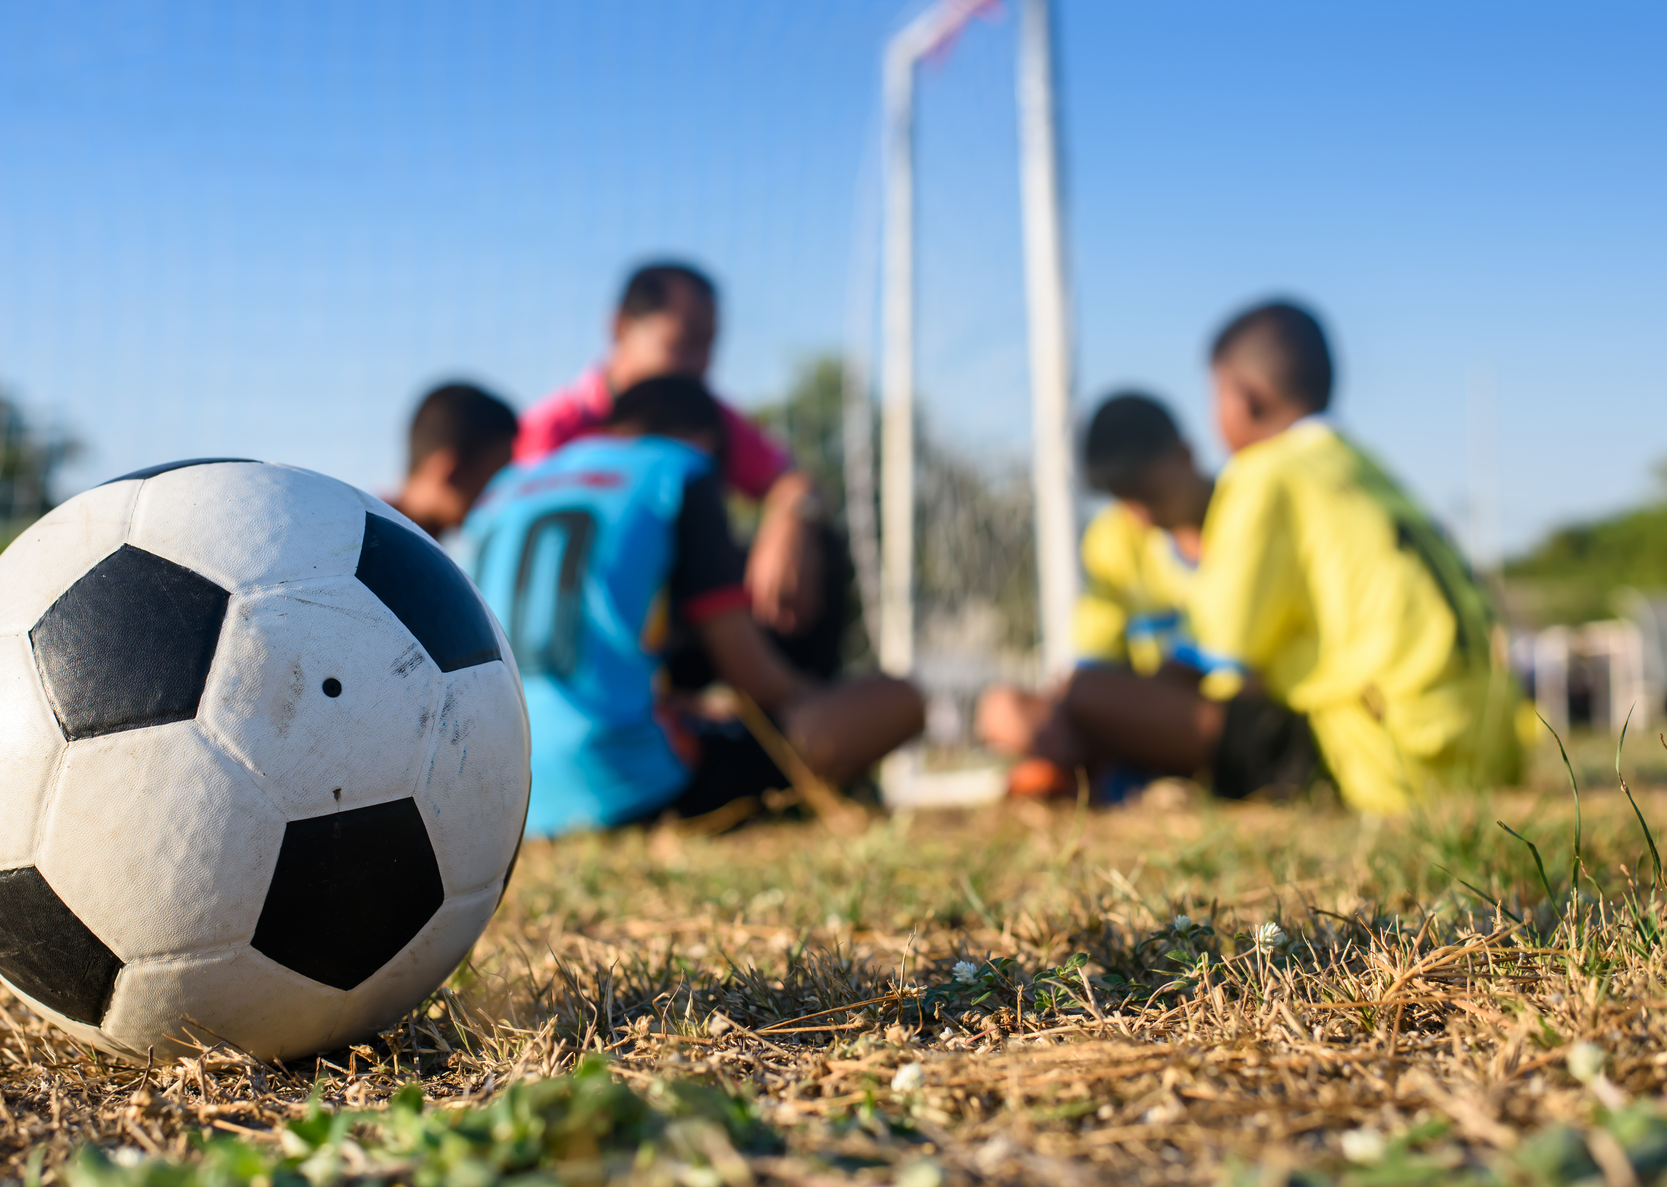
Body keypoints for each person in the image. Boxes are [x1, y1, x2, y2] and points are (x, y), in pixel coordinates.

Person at [998, 300, 1522, 812]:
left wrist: (1089, 713)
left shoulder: (1263, 474)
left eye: (1215, 396)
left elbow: (1217, 657)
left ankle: (1096, 775)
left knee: (1091, 697)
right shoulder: (1361, 466)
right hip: (1490, 751)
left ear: (1244, 397)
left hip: (1386, 755)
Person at [467, 375, 924, 838]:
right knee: (899, 700)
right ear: (706, 443)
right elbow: (752, 673)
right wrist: (812, 697)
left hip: (506, 794)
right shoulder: (681, 468)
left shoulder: (504, 488)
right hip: (626, 791)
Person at [514, 262, 831, 639]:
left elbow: (792, 479)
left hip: (691, 618)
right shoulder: (553, 431)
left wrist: (788, 523)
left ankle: (784, 692)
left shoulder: (711, 417)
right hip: (585, 634)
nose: (700, 365)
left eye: (709, 346)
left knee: (821, 544)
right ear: (621, 328)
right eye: (683, 343)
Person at [976, 392, 1214, 799]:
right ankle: (1116, 779)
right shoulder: (1112, 537)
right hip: (1131, 717)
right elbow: (1093, 663)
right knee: (1002, 709)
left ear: (1185, 457)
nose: (1141, 514)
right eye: (1123, 497)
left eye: (1150, 493)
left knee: (1089, 698)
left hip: (1210, 717)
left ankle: (1103, 780)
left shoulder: (1245, 519)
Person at [387, 383, 518, 539]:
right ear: (451, 472)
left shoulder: (385, 536)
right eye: (496, 476)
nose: (501, 493)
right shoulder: (368, 546)